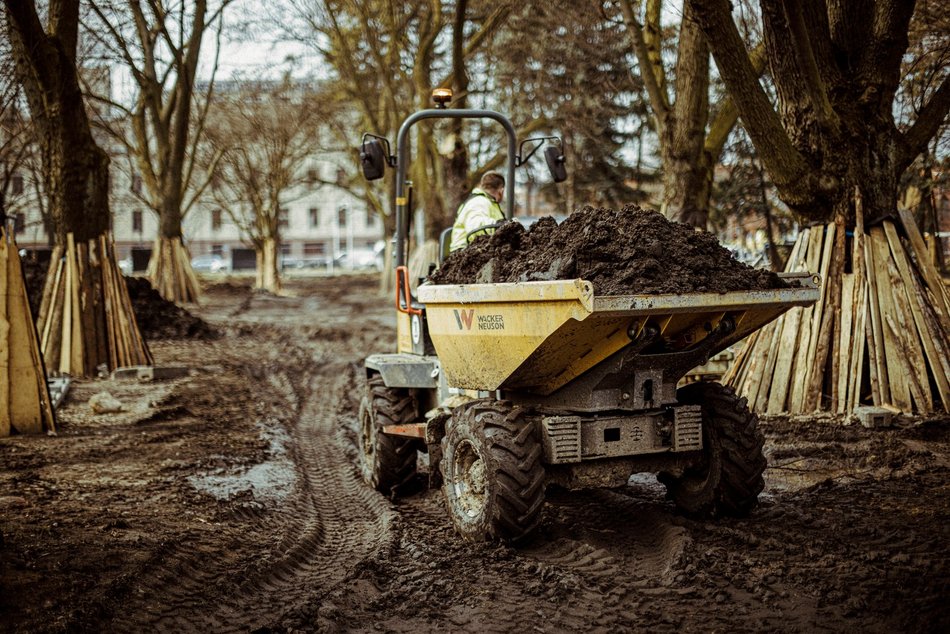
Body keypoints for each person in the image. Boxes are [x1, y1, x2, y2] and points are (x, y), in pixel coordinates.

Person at [449, 171, 505, 251]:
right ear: (501, 191)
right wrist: (501, 226)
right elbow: (475, 226)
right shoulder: (478, 201)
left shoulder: (490, 204)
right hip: (463, 253)